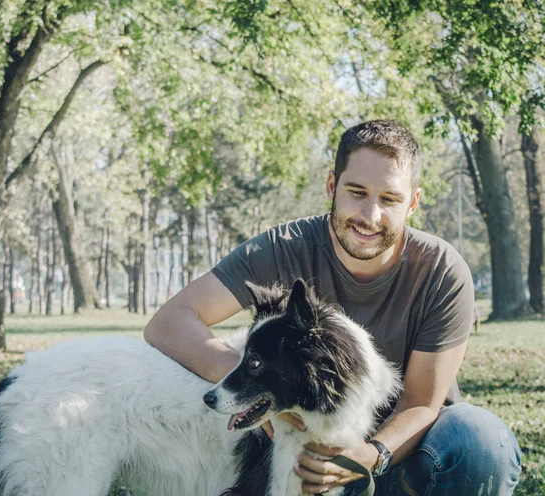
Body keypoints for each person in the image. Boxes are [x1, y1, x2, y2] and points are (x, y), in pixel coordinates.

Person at [144, 120, 522, 495]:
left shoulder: (442, 270)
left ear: (413, 203)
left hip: (400, 458)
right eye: (356, 192)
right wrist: (252, 384)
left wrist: (370, 456)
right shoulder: (281, 248)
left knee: (482, 439)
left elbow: (420, 402)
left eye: (389, 199)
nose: (370, 216)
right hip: (305, 463)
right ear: (332, 186)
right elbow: (170, 322)